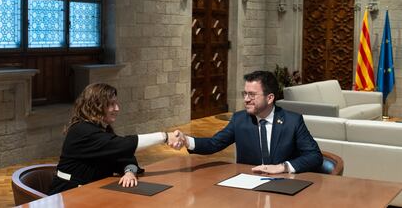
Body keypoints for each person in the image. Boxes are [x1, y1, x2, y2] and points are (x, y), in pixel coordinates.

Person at [48, 83, 184, 195]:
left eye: (116, 103)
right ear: (96, 105)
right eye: (111, 104)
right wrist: (164, 137)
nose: (117, 108)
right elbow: (124, 145)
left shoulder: (101, 128)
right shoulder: (82, 130)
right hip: (68, 193)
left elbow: (124, 154)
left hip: (92, 190)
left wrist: (129, 172)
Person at [182, 70, 323, 174]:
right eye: (245, 94)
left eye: (252, 95)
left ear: (270, 98)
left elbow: (314, 156)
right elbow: (213, 144)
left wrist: (282, 167)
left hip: (284, 183)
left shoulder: (292, 121)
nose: (246, 99)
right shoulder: (239, 120)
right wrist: (186, 141)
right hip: (249, 185)